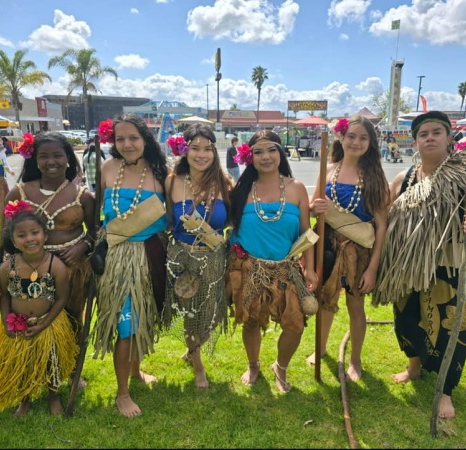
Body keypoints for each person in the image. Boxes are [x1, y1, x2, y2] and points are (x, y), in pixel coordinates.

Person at [372, 111, 466, 419]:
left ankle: (445, 391)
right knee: (407, 319)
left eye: (436, 132)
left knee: (453, 328)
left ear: (449, 138)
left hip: (454, 265)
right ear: (415, 142)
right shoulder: (404, 178)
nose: (430, 138)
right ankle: (414, 367)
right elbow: (384, 217)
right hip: (408, 266)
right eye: (423, 134)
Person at [0, 131, 96, 388]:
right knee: (27, 319)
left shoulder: (83, 195)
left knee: (71, 319)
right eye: (44, 156)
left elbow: (96, 232)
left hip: (71, 270)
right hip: (27, 271)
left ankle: (71, 371)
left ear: (68, 158)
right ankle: (30, 373)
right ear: (34, 160)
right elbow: (7, 237)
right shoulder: (18, 193)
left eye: (58, 155)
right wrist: (4, 265)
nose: (52, 162)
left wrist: (82, 246)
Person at [227, 130, 318, 393]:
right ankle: (253, 364)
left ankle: (281, 366)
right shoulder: (241, 190)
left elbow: (306, 232)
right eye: (258, 152)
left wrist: (310, 269)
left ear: (280, 153)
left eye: (271, 150)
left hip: (285, 269)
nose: (265, 157)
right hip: (249, 269)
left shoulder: (296, 188)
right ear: (250, 157)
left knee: (295, 324)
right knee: (251, 321)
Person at [91, 113, 168, 417]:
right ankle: (122, 393)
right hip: (116, 260)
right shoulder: (108, 168)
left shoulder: (161, 171)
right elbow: (96, 211)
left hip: (150, 256)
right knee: (126, 324)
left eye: (133, 138)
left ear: (145, 139)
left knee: (142, 317)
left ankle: (135, 371)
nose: (127, 144)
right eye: (120, 139)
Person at [305, 115, 390, 381]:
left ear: (370, 143)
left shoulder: (375, 177)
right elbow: (312, 208)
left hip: (360, 252)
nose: (356, 142)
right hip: (327, 248)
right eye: (351, 136)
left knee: (355, 305)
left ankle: (355, 360)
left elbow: (382, 226)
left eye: (363, 138)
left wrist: (372, 268)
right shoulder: (328, 170)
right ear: (341, 137)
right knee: (325, 301)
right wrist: (314, 207)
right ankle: (320, 349)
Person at [0, 201, 78, 416]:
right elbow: (4, 295)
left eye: (35, 232)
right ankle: (25, 399)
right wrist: (7, 320)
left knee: (52, 361)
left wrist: (44, 324)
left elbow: (62, 298)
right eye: (22, 235)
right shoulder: (8, 267)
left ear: (45, 235)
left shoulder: (55, 265)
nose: (29, 239)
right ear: (13, 241)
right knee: (23, 363)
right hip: (18, 325)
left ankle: (53, 395)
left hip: (48, 323)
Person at [162, 123, 233, 389]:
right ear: (184, 150)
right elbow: (166, 219)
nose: (201, 154)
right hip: (183, 257)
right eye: (195, 148)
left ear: (214, 152)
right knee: (191, 314)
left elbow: (235, 220)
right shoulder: (172, 181)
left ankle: (193, 350)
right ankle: (198, 365)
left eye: (207, 149)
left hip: (214, 258)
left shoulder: (225, 183)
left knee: (212, 315)